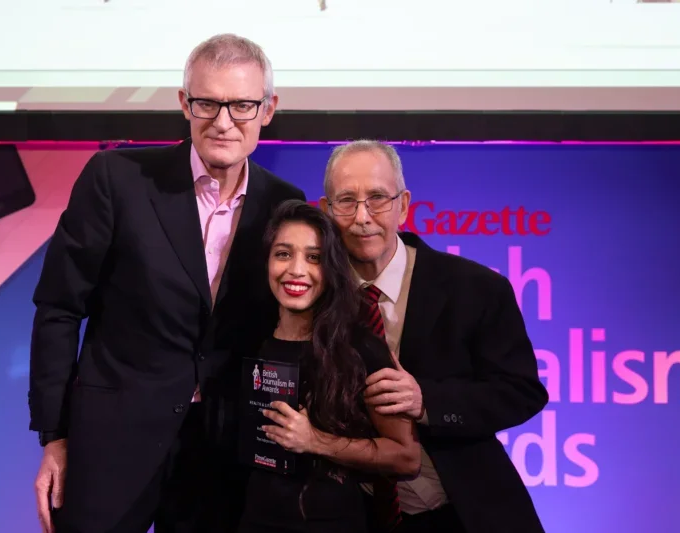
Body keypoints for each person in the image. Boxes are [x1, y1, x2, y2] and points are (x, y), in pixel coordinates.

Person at [28, 34, 305, 533]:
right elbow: (59, 307)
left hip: (221, 451)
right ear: (184, 104)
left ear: (268, 109)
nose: (224, 122)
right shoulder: (117, 178)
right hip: (111, 445)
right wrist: (54, 435)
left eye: (242, 105)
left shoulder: (284, 202)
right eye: (207, 103)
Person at [318, 140, 550, 533]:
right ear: (326, 211)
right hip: (353, 515)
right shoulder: (314, 297)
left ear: (403, 205)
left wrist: (427, 399)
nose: (362, 217)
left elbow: (521, 392)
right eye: (346, 201)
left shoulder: (476, 288)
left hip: (463, 512)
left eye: (377, 198)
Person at [238, 199, 421, 533]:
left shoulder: (359, 347)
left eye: (313, 258)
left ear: (332, 267)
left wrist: (315, 441)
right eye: (283, 254)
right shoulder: (249, 340)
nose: (296, 269)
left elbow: (406, 457)